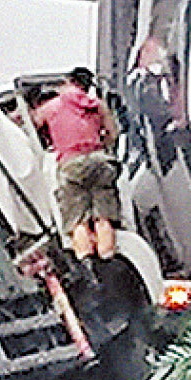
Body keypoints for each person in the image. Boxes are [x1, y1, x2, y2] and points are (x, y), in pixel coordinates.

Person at [31, 66, 122, 261]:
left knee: (77, 219)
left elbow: (30, 124)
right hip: (99, 159)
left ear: (68, 82)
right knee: (104, 216)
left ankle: (87, 261)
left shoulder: (52, 107)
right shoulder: (97, 104)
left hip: (71, 163)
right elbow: (113, 134)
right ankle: (107, 257)